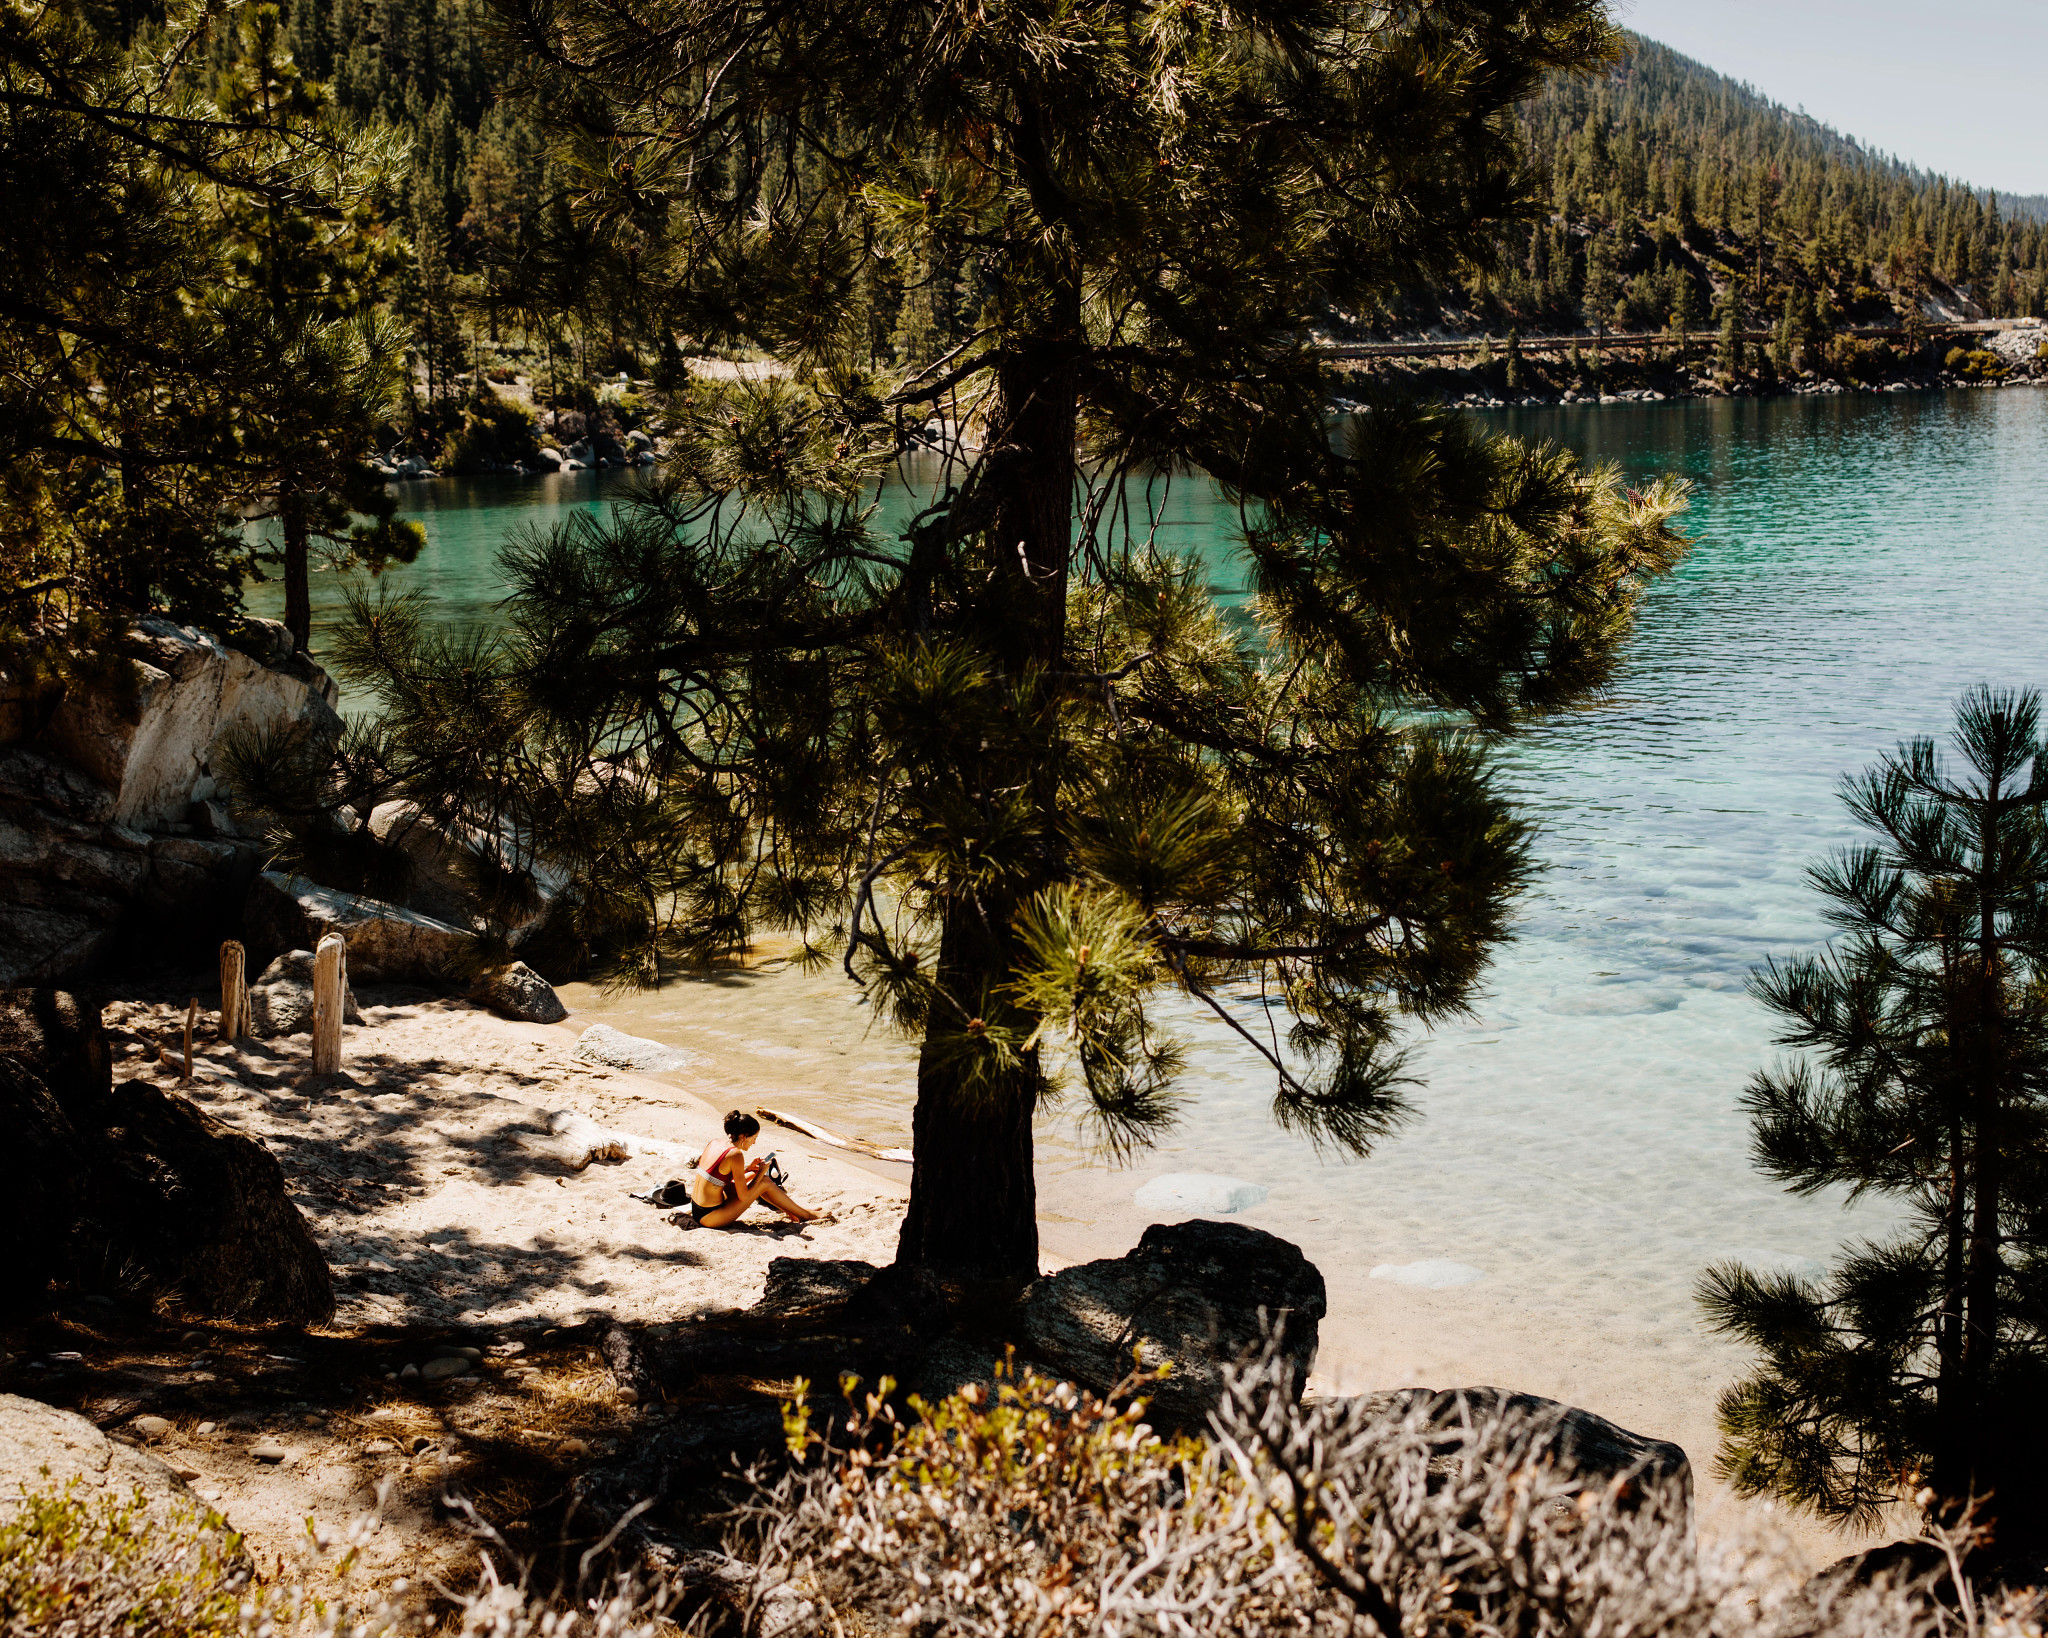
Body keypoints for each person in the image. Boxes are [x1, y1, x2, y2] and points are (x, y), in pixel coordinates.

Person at [688, 1110, 826, 1227]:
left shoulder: (715, 1143)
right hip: (710, 1217)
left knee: (759, 1179)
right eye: (754, 1138)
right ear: (745, 1136)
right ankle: (805, 1215)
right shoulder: (735, 1154)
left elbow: (717, 1176)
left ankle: (796, 1213)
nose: (754, 1142)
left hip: (697, 1208)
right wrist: (760, 1171)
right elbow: (744, 1196)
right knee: (764, 1182)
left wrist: (749, 1170)